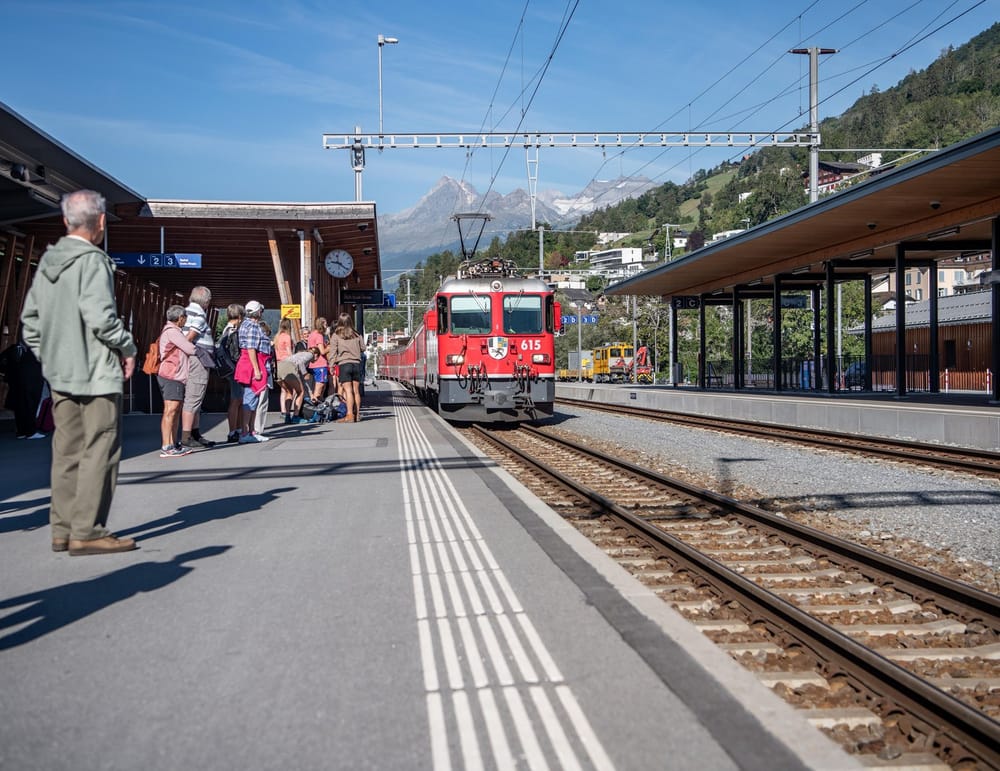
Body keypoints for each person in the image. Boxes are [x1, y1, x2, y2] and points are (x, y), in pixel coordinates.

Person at [20, 189, 138, 556]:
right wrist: (127, 347)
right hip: (96, 373)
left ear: (65, 221)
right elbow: (101, 317)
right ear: (101, 221)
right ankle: (88, 531)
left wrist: (53, 357)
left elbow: (29, 323)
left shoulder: (49, 262)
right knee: (100, 449)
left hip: (61, 374)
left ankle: (62, 529)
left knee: (66, 449)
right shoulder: (92, 261)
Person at [179, 285, 216, 449]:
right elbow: (189, 338)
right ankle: (187, 436)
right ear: (206, 301)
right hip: (198, 359)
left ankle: (194, 433)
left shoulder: (187, 312)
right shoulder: (199, 315)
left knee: (195, 397)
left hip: (194, 358)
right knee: (194, 396)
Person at [157, 305, 195, 457]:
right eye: (185, 318)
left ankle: (173, 443)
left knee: (175, 410)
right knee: (171, 410)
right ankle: (166, 446)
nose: (185, 320)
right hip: (172, 375)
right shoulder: (172, 332)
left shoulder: (172, 331)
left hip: (174, 375)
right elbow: (190, 349)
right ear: (180, 318)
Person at [234, 300, 269, 443]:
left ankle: (250, 431)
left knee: (251, 398)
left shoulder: (244, 325)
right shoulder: (253, 326)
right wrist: (257, 370)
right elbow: (251, 348)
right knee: (251, 398)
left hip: (247, 363)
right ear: (258, 312)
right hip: (252, 364)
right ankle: (246, 432)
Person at [0, 333, 45, 439]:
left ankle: (21, 431)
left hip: (17, 381)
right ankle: (30, 432)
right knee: (30, 405)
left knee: (20, 405)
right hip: (32, 380)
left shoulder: (15, 348)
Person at [329, 312, 364, 422]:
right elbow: (363, 348)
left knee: (348, 391)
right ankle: (357, 414)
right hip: (356, 364)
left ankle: (349, 415)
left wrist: (331, 365)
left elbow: (333, 352)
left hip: (344, 364)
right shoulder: (357, 334)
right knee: (356, 391)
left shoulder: (336, 335)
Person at [219, 303, 244, 443]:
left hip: (229, 369)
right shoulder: (233, 331)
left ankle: (237, 429)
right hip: (235, 369)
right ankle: (233, 431)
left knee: (237, 399)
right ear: (239, 316)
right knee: (236, 400)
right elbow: (235, 354)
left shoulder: (226, 330)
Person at [276, 346, 318, 423]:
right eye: (317, 357)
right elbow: (301, 363)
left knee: (289, 392)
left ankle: (287, 416)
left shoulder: (299, 355)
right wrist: (305, 373)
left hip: (279, 367)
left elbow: (303, 381)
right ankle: (295, 417)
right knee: (300, 392)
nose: (316, 359)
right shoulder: (309, 354)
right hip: (289, 367)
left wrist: (310, 393)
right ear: (315, 354)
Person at [253, 320, 274, 437]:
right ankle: (258, 428)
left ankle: (249, 428)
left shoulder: (251, 343)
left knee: (252, 401)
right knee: (262, 402)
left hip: (253, 373)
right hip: (264, 373)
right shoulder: (265, 341)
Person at [273, 318, 294, 425]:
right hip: (286, 363)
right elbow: (289, 352)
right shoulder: (287, 337)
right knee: (290, 390)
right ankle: (288, 413)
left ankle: (282, 410)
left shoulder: (277, 337)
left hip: (277, 364)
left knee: (283, 390)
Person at [307, 317, 330, 403]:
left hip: (313, 363)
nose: (326, 326)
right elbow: (322, 351)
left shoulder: (312, 334)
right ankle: (315, 405)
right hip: (320, 364)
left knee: (317, 386)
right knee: (319, 387)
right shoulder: (319, 336)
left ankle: (317, 402)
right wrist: (329, 347)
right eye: (325, 324)